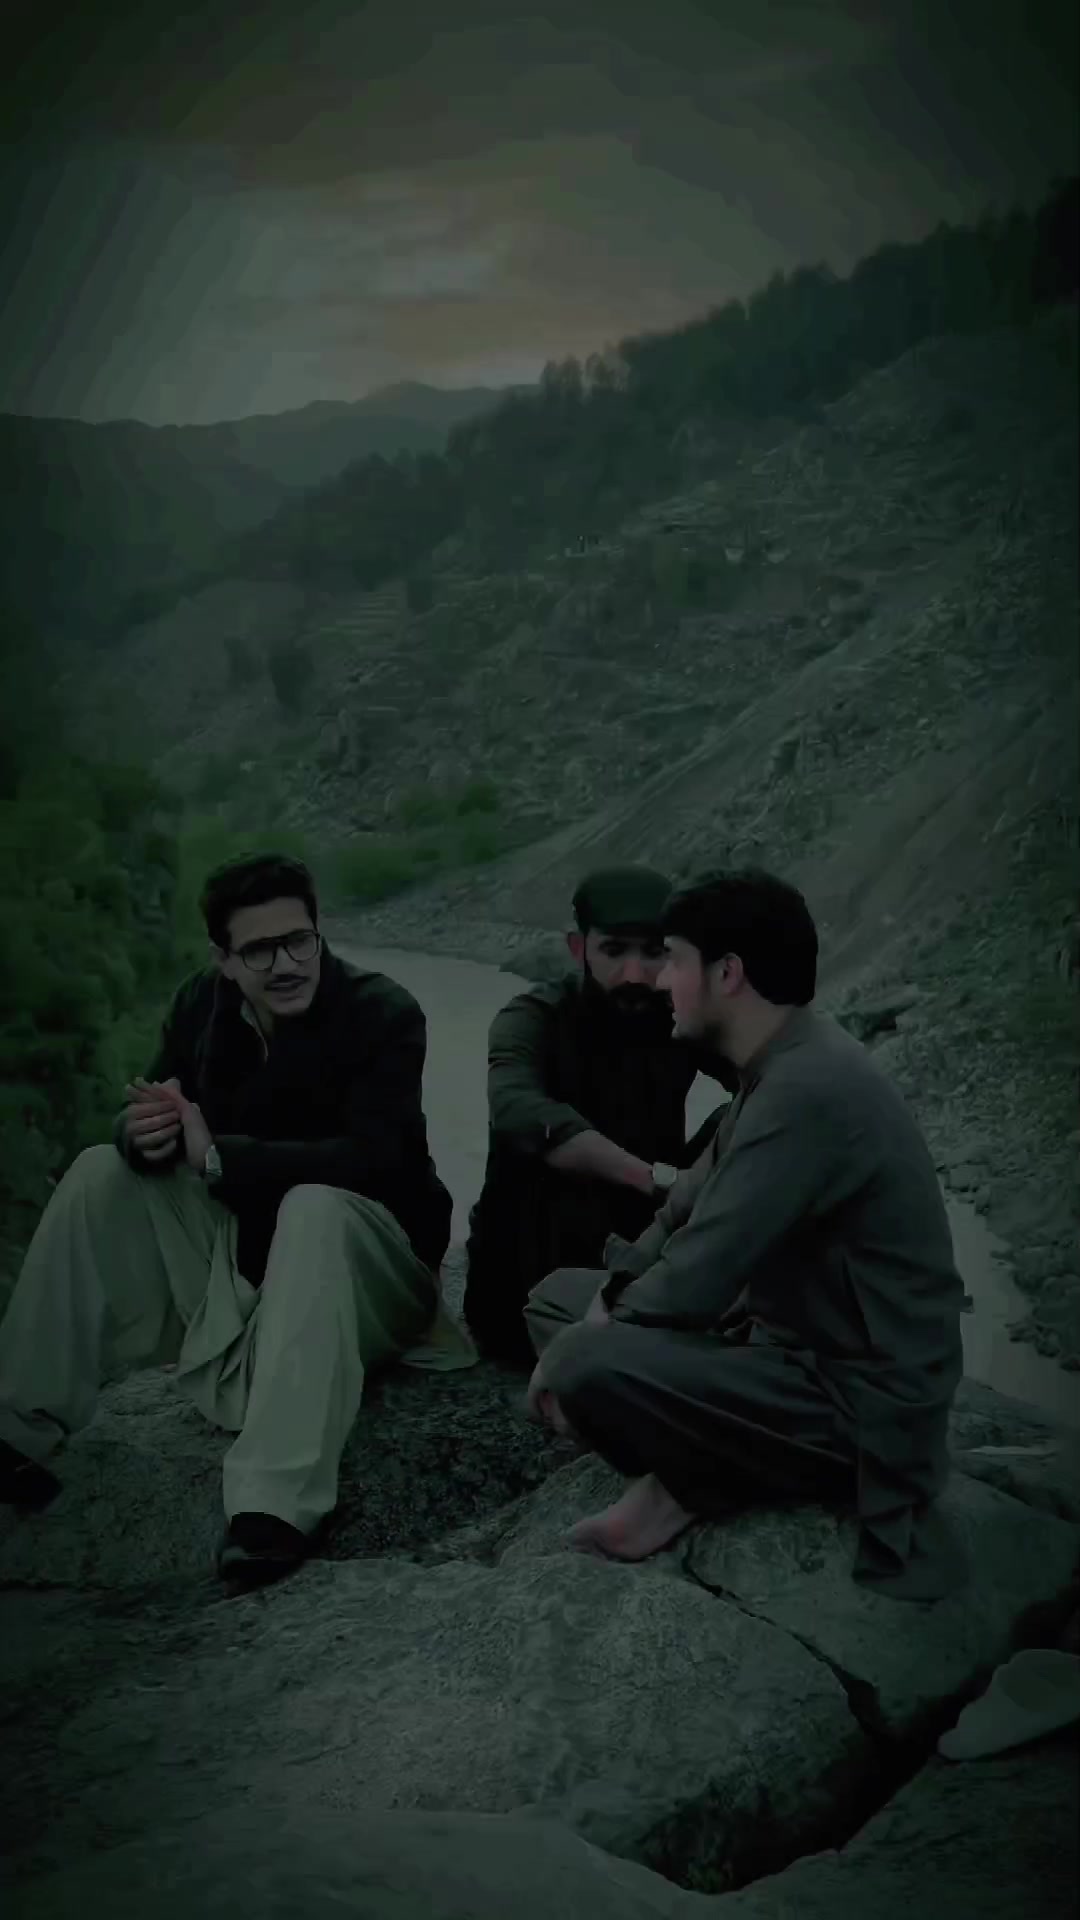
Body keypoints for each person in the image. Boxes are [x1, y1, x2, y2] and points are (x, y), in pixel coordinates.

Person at [0, 853, 475, 1586]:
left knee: (314, 1204)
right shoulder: (202, 1003)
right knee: (100, 1170)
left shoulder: (383, 1013)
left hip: (375, 1270)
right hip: (249, 1260)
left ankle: (273, 1508)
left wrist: (218, 1155)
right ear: (223, 959)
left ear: (319, 932)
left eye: (299, 941)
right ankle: (15, 1428)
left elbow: (376, 1159)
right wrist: (143, 1135)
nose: (286, 965)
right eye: (259, 950)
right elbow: (157, 1107)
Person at [523, 867, 968, 1602]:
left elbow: (700, 1272)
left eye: (673, 960)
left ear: (726, 973)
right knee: (555, 1298)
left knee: (581, 1360)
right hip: (779, 1344)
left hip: (854, 1400)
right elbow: (682, 1210)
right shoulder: (777, 1064)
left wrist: (587, 1344)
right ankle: (701, 1463)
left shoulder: (808, 1089)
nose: (660, 980)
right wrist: (609, 1296)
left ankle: (694, 1480)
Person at [463, 865, 739, 1368]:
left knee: (744, 1116)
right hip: (533, 1262)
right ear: (579, 948)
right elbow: (519, 1110)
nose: (634, 973)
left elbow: (771, 1079)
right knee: (551, 1157)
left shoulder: (680, 1015)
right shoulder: (532, 1017)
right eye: (614, 951)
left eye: (653, 953)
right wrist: (659, 1181)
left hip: (647, 1231)